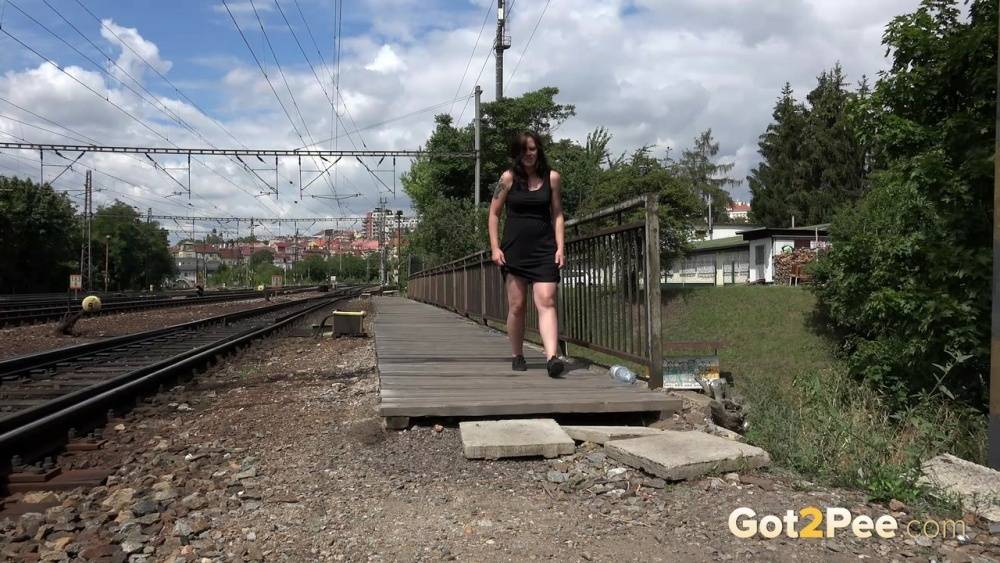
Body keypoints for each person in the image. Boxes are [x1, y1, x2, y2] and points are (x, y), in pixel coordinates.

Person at [488, 131, 566, 377]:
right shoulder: (508, 178)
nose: (528, 154)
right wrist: (495, 247)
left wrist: (561, 246)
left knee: (547, 299)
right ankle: (517, 354)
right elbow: (493, 214)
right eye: (523, 150)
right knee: (517, 305)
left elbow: (557, 214)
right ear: (517, 154)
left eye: (532, 149)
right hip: (514, 250)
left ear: (539, 149)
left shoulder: (552, 178)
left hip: (544, 249)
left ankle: (552, 357)